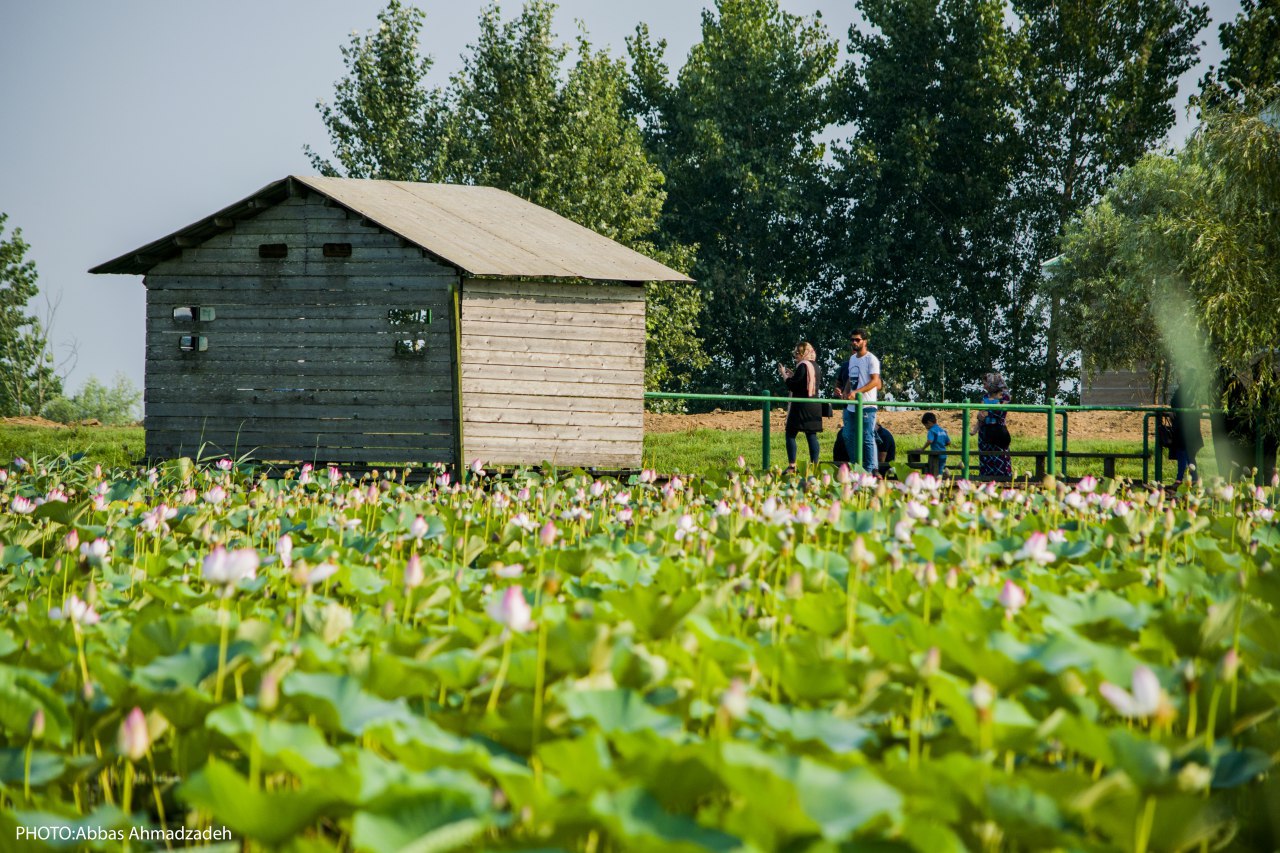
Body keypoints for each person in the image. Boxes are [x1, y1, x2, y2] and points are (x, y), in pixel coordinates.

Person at [837, 328, 882, 475]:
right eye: (852, 340)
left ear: (865, 341)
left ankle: (871, 469)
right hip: (852, 406)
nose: (854, 342)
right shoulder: (852, 359)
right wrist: (845, 391)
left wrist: (857, 392)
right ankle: (857, 465)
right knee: (847, 435)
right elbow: (851, 377)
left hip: (867, 405)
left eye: (857, 339)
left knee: (867, 436)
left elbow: (876, 381)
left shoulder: (871, 359)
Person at [778, 341, 823, 470]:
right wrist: (794, 376)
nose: (795, 355)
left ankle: (792, 465)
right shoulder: (815, 366)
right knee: (811, 435)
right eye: (795, 353)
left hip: (801, 406)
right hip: (814, 405)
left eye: (798, 352)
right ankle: (815, 465)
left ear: (804, 353)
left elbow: (793, 385)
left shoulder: (803, 366)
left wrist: (784, 375)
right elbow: (803, 382)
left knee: (790, 434)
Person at [973, 372, 1012, 479]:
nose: (983, 385)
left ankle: (1003, 479)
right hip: (985, 431)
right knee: (985, 456)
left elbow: (1001, 412)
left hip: (998, 430)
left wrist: (987, 413)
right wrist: (981, 415)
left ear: (992, 384)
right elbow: (980, 413)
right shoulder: (985, 396)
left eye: (985, 383)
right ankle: (985, 479)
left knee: (1000, 455)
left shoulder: (1005, 396)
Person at [1168, 381, 1203, 484]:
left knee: (1184, 452)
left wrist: (1174, 415)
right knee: (1188, 454)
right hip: (1191, 428)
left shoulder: (1184, 390)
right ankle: (1191, 478)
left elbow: (1175, 403)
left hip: (1183, 427)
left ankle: (1183, 479)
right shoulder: (1195, 390)